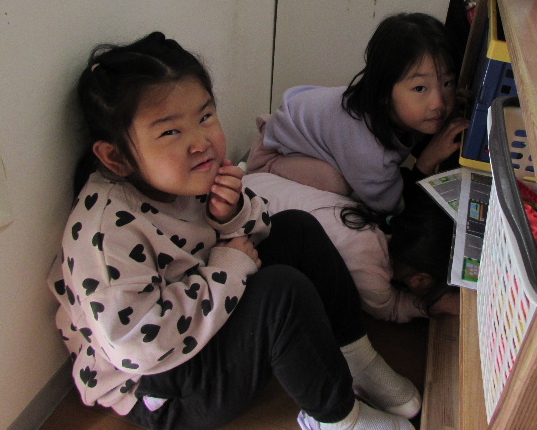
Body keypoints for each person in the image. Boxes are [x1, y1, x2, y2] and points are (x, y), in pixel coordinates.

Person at [47, 32, 422, 430]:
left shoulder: (184, 174)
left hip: (205, 309)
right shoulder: (107, 235)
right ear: (116, 157)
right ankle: (338, 419)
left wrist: (231, 214)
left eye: (205, 117)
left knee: (298, 229)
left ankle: (357, 360)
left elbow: (253, 234)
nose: (200, 142)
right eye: (170, 132)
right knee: (282, 293)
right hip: (161, 388)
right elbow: (140, 347)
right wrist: (227, 270)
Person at [246, 12, 469, 214]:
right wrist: (426, 163)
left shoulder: (402, 109)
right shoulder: (369, 152)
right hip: (276, 152)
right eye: (420, 88)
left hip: (298, 125)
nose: (439, 103)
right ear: (383, 91)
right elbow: (392, 207)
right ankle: (269, 168)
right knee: (339, 184)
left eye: (447, 83)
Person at [243, 173, 459, 323]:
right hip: (245, 227)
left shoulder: (371, 218)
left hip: (252, 183)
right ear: (419, 280)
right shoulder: (370, 268)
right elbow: (390, 309)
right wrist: (440, 303)